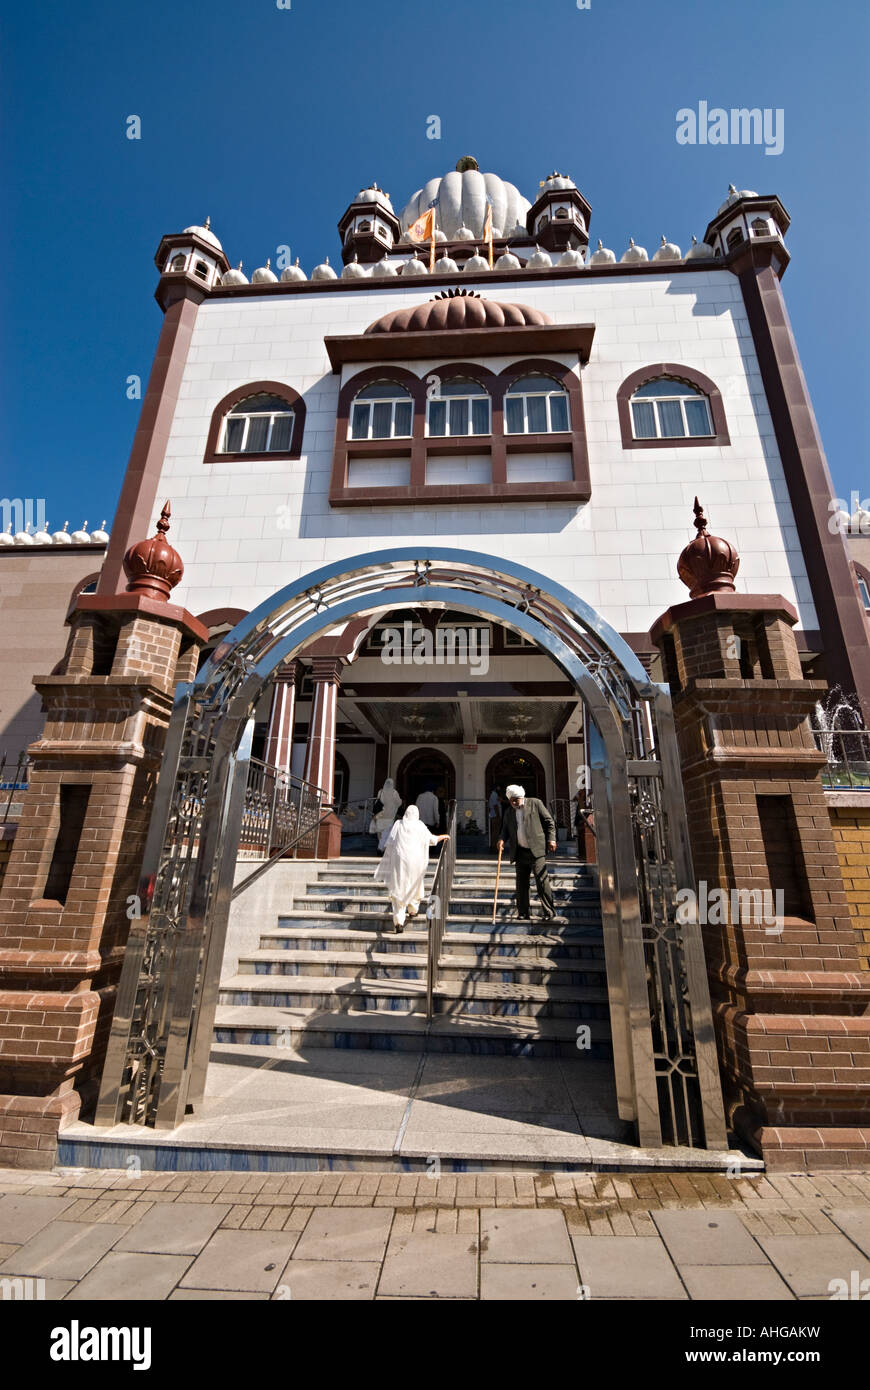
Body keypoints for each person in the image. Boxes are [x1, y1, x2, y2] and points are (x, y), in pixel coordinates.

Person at [374, 805, 449, 933]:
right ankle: (413, 910)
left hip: (400, 862)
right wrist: (443, 836)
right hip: (416, 862)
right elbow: (432, 839)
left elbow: (390, 842)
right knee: (415, 884)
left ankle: (398, 921)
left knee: (399, 887)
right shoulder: (420, 825)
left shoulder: (398, 824)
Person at [498, 783, 558, 922]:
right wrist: (501, 839)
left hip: (536, 850)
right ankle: (523, 912)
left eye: (516, 799)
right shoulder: (509, 811)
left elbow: (549, 822)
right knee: (521, 884)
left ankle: (549, 912)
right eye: (511, 800)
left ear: (522, 797)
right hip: (519, 852)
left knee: (542, 882)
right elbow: (505, 830)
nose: (513, 802)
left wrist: (552, 839)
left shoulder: (535, 803)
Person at [369, 777, 402, 844]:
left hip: (381, 816)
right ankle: (384, 848)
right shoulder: (394, 793)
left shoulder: (381, 791)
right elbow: (399, 803)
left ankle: (380, 846)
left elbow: (378, 801)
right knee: (387, 834)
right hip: (390, 816)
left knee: (380, 833)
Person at [488, 784, 503, 851]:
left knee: (496, 831)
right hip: (495, 816)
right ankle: (494, 846)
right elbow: (495, 805)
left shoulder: (494, 795)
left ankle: (494, 845)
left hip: (494, 815)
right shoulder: (494, 794)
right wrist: (498, 816)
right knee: (495, 832)